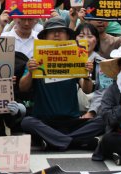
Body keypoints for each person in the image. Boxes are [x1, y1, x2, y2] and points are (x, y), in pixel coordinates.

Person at [19, 17, 104, 150]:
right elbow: (23, 88)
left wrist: (87, 75)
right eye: (52, 32)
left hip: (71, 121)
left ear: (67, 36)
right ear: (45, 37)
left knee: (101, 122)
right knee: (27, 122)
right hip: (44, 121)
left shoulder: (76, 57)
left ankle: (55, 140)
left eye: (61, 31)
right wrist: (30, 72)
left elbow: (87, 90)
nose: (57, 34)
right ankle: (74, 141)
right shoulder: (35, 60)